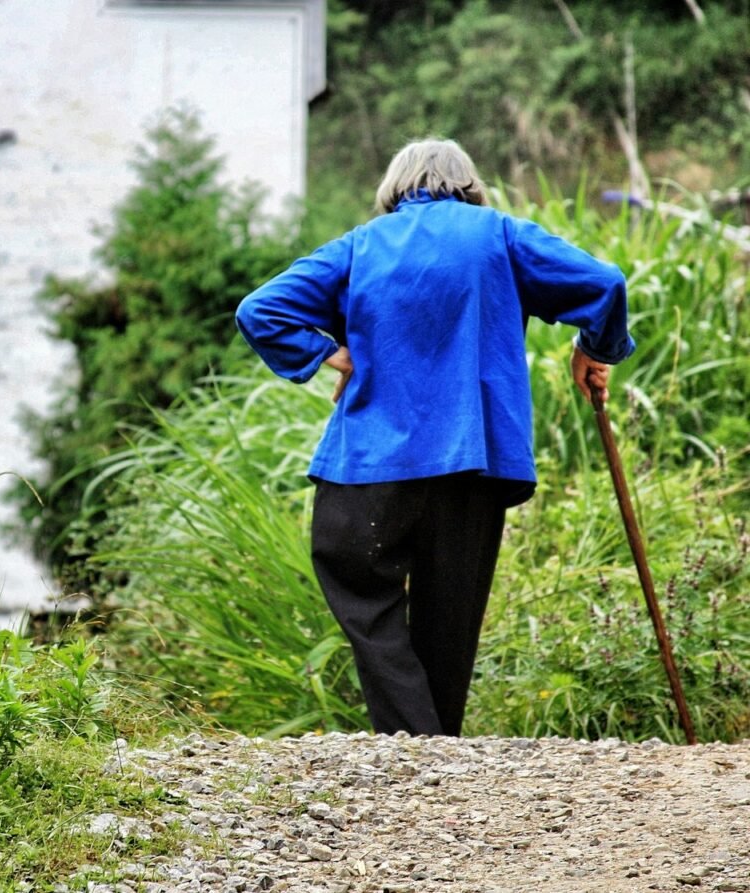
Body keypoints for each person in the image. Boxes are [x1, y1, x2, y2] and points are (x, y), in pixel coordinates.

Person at [234, 138, 634, 737]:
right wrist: (592, 349)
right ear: (470, 186)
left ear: (394, 191)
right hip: (473, 466)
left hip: (368, 469)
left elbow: (261, 310)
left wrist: (328, 353)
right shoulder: (500, 235)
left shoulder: (361, 246)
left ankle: (416, 753)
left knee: (358, 584)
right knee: (450, 618)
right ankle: (435, 757)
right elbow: (605, 283)